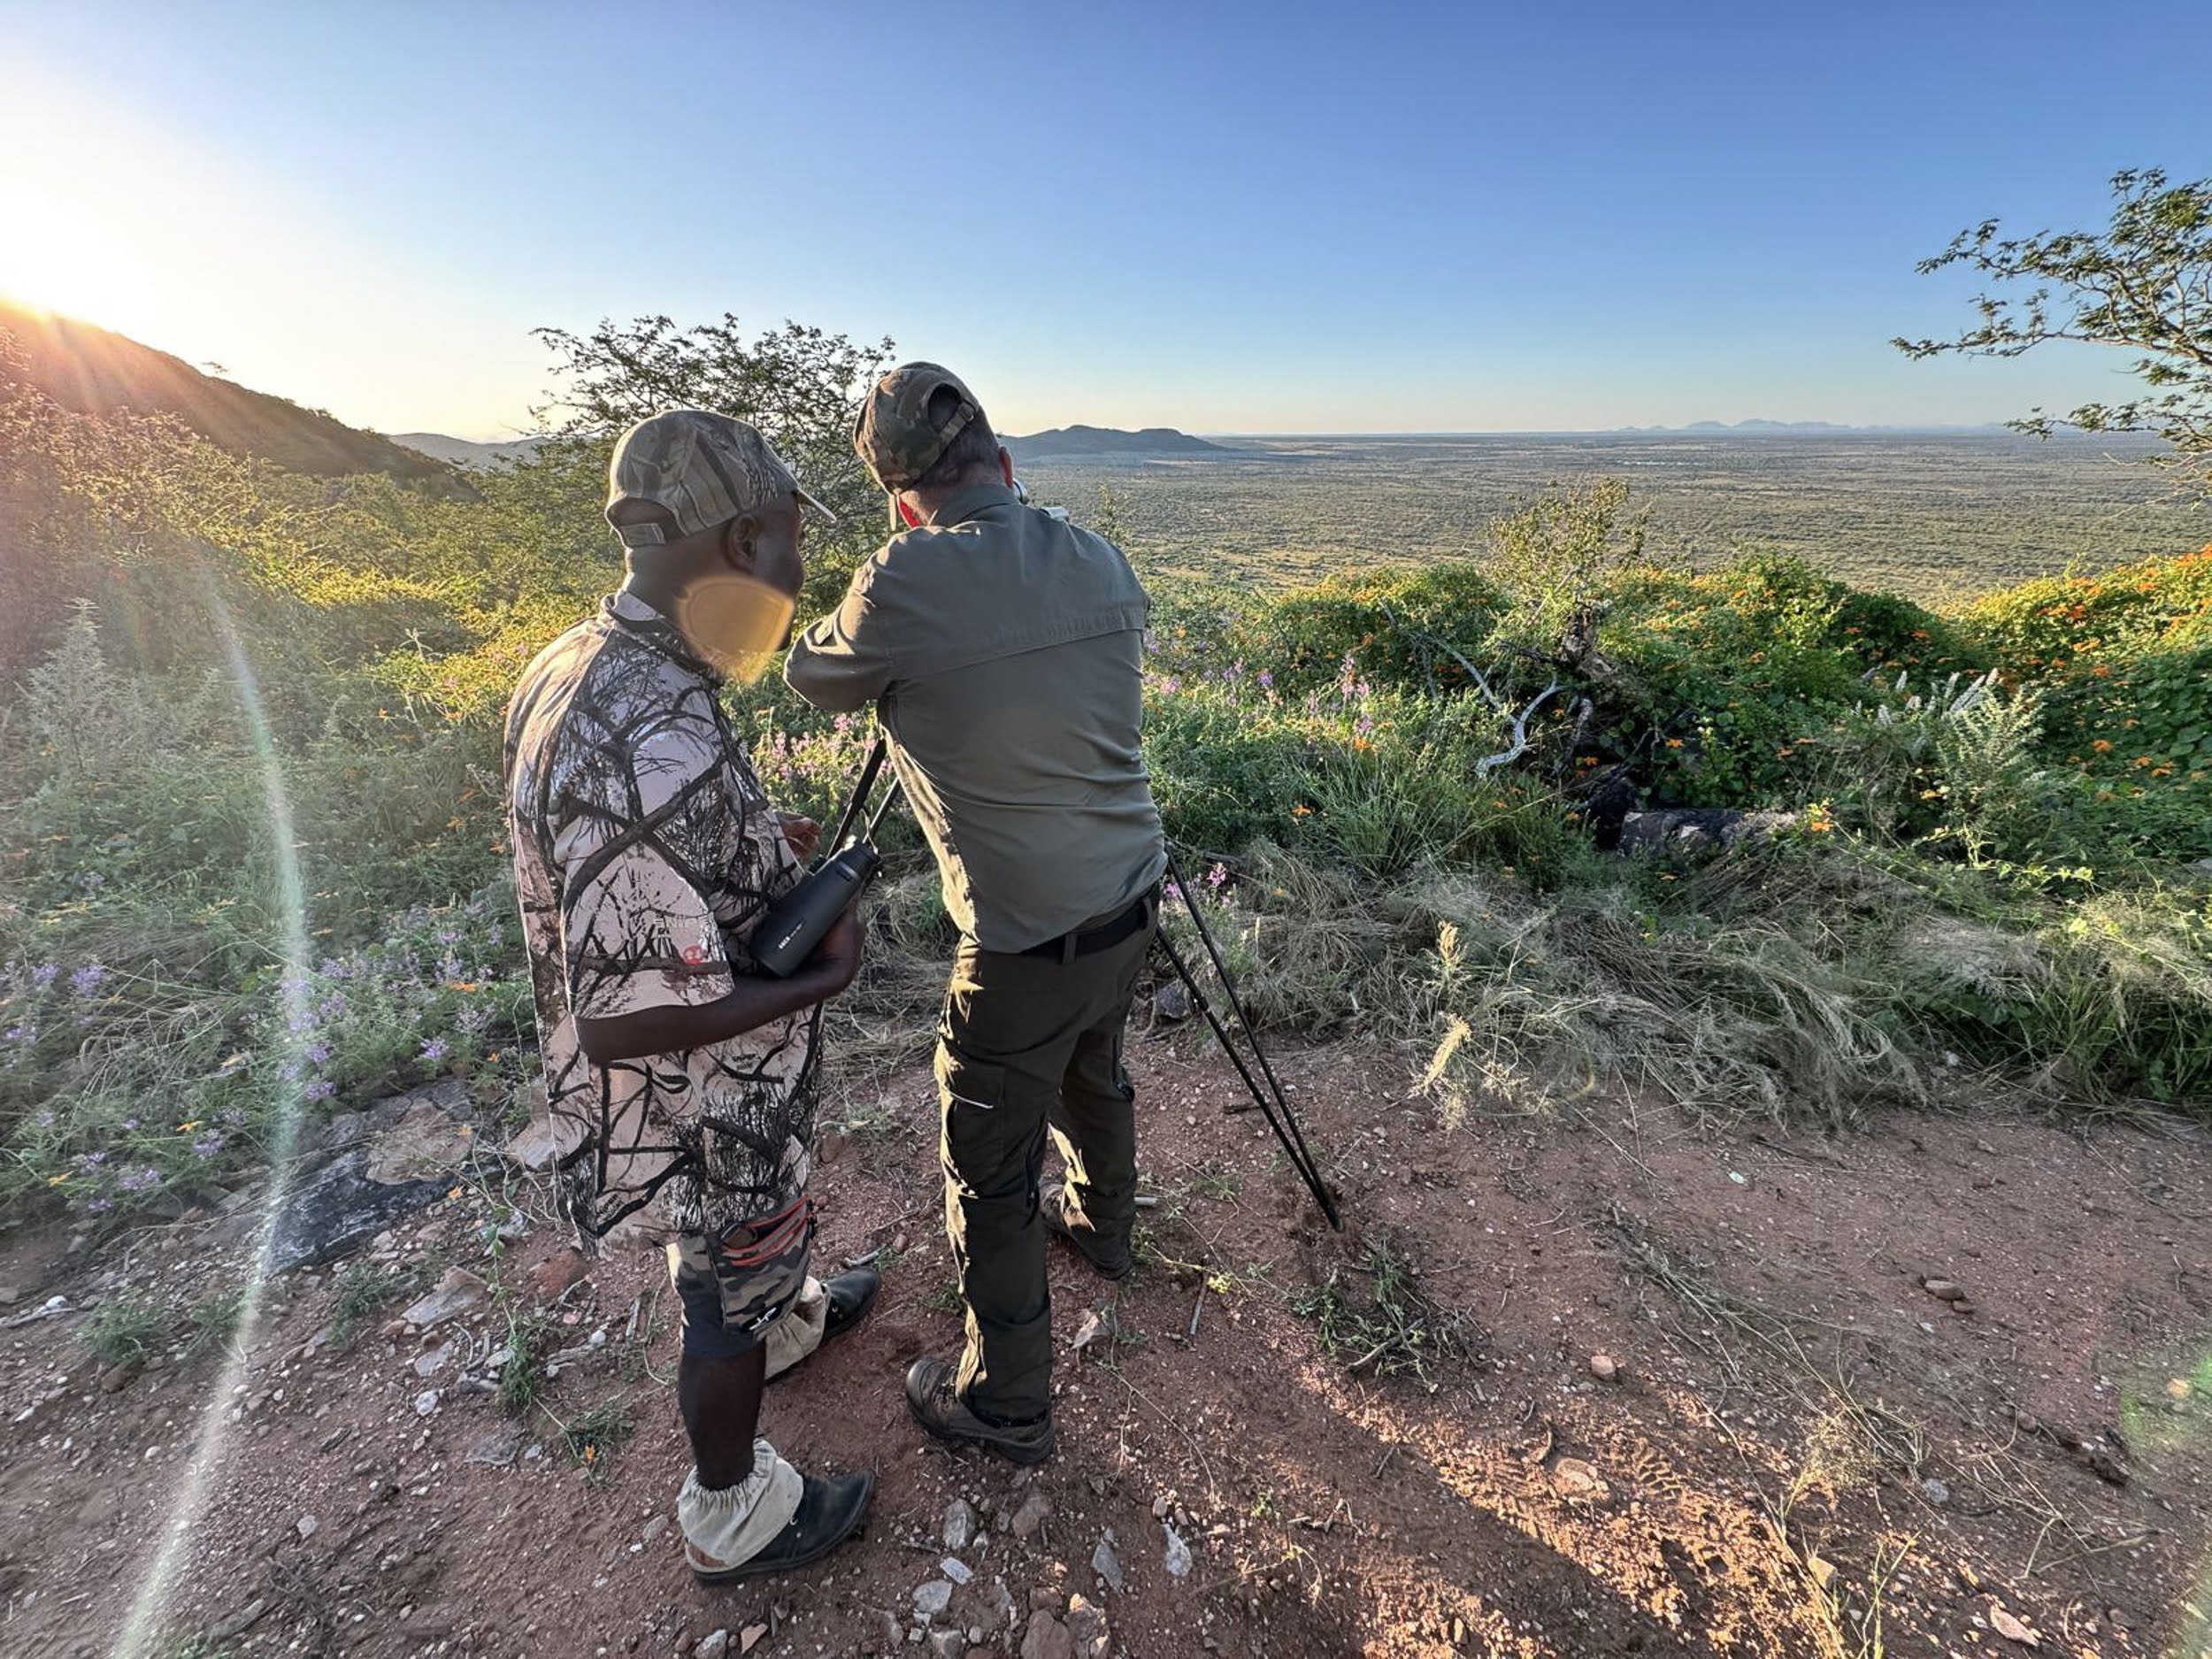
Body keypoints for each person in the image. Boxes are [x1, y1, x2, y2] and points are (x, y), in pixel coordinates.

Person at [504, 409, 879, 1580]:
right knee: (724, 1280)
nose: (796, 572)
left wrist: (756, 841)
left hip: (695, 1075)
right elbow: (624, 1013)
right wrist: (824, 972)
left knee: (751, 1256)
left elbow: (632, 865)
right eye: (783, 541)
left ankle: (796, 1311)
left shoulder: (584, 661)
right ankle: (733, 1510)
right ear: (736, 536)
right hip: (710, 1091)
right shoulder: (650, 734)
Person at [785, 363, 1166, 1465]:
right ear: (1004, 462)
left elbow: (816, 680)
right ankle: (1103, 1224)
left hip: (1020, 936)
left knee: (988, 1163)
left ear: (903, 499)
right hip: (1134, 892)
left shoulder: (898, 581)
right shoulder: (1095, 553)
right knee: (1095, 1064)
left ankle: (1007, 1400)